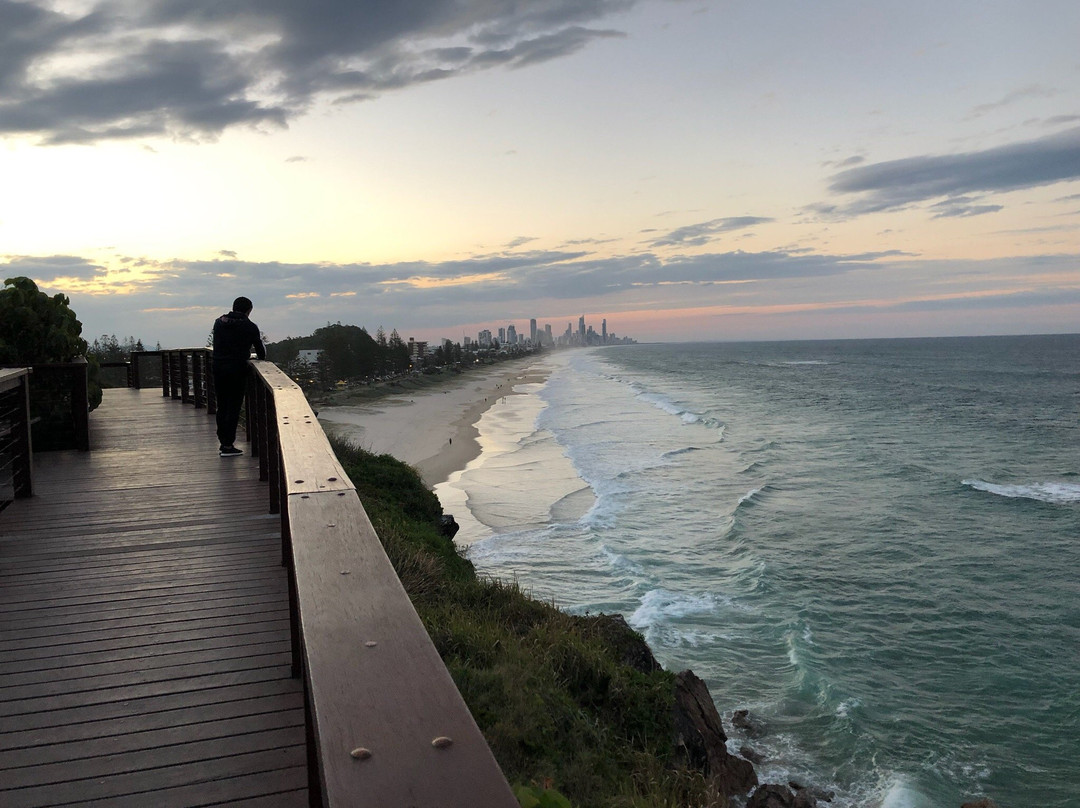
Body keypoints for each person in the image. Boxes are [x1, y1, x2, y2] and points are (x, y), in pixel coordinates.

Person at [212, 296, 266, 457]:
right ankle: (228, 445)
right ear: (249, 310)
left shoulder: (219, 322)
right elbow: (260, 351)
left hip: (218, 368)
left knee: (222, 406)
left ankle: (224, 443)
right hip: (237, 370)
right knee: (234, 407)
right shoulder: (249, 326)